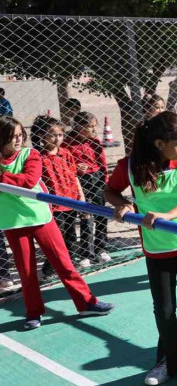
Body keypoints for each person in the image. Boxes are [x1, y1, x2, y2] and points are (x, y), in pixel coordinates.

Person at [105, 112, 177, 386]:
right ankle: (170, 359)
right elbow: (110, 191)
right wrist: (123, 204)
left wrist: (169, 216)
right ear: (158, 143)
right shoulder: (130, 166)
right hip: (156, 247)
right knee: (163, 308)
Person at [0, 116, 114, 330]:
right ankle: (34, 312)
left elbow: (29, 180)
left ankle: (86, 302)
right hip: (13, 222)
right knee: (26, 271)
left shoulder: (30, 154)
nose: (17, 140)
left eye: (20, 135)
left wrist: (2, 179)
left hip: (40, 217)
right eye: (11, 137)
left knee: (63, 263)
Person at [31, 115, 90, 275]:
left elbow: (74, 176)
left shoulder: (66, 153)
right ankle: (49, 269)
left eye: (60, 135)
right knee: (56, 239)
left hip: (70, 201)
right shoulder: (38, 156)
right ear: (42, 135)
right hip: (53, 206)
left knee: (71, 237)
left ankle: (69, 265)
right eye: (53, 134)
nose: (57, 138)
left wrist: (81, 196)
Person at [64, 111, 111, 266]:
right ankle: (86, 253)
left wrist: (105, 182)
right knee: (86, 217)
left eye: (94, 126)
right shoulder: (67, 144)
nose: (93, 130)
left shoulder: (95, 142)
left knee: (102, 216)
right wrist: (76, 167)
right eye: (90, 127)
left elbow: (103, 163)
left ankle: (101, 248)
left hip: (97, 180)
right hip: (81, 183)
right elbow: (65, 165)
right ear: (79, 127)